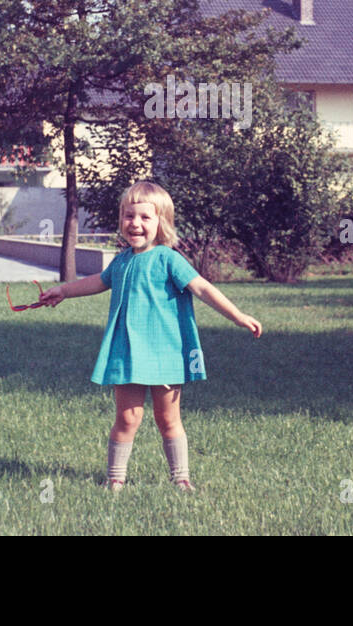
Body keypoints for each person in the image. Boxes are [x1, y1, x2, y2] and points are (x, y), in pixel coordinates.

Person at [36, 180, 262, 491]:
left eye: (145, 217)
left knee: (168, 419)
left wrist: (237, 316)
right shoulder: (122, 260)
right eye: (129, 216)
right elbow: (97, 283)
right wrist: (63, 291)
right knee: (127, 419)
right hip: (127, 352)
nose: (136, 224)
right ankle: (115, 479)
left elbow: (203, 288)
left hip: (165, 353)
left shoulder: (168, 259)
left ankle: (181, 479)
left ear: (162, 222)